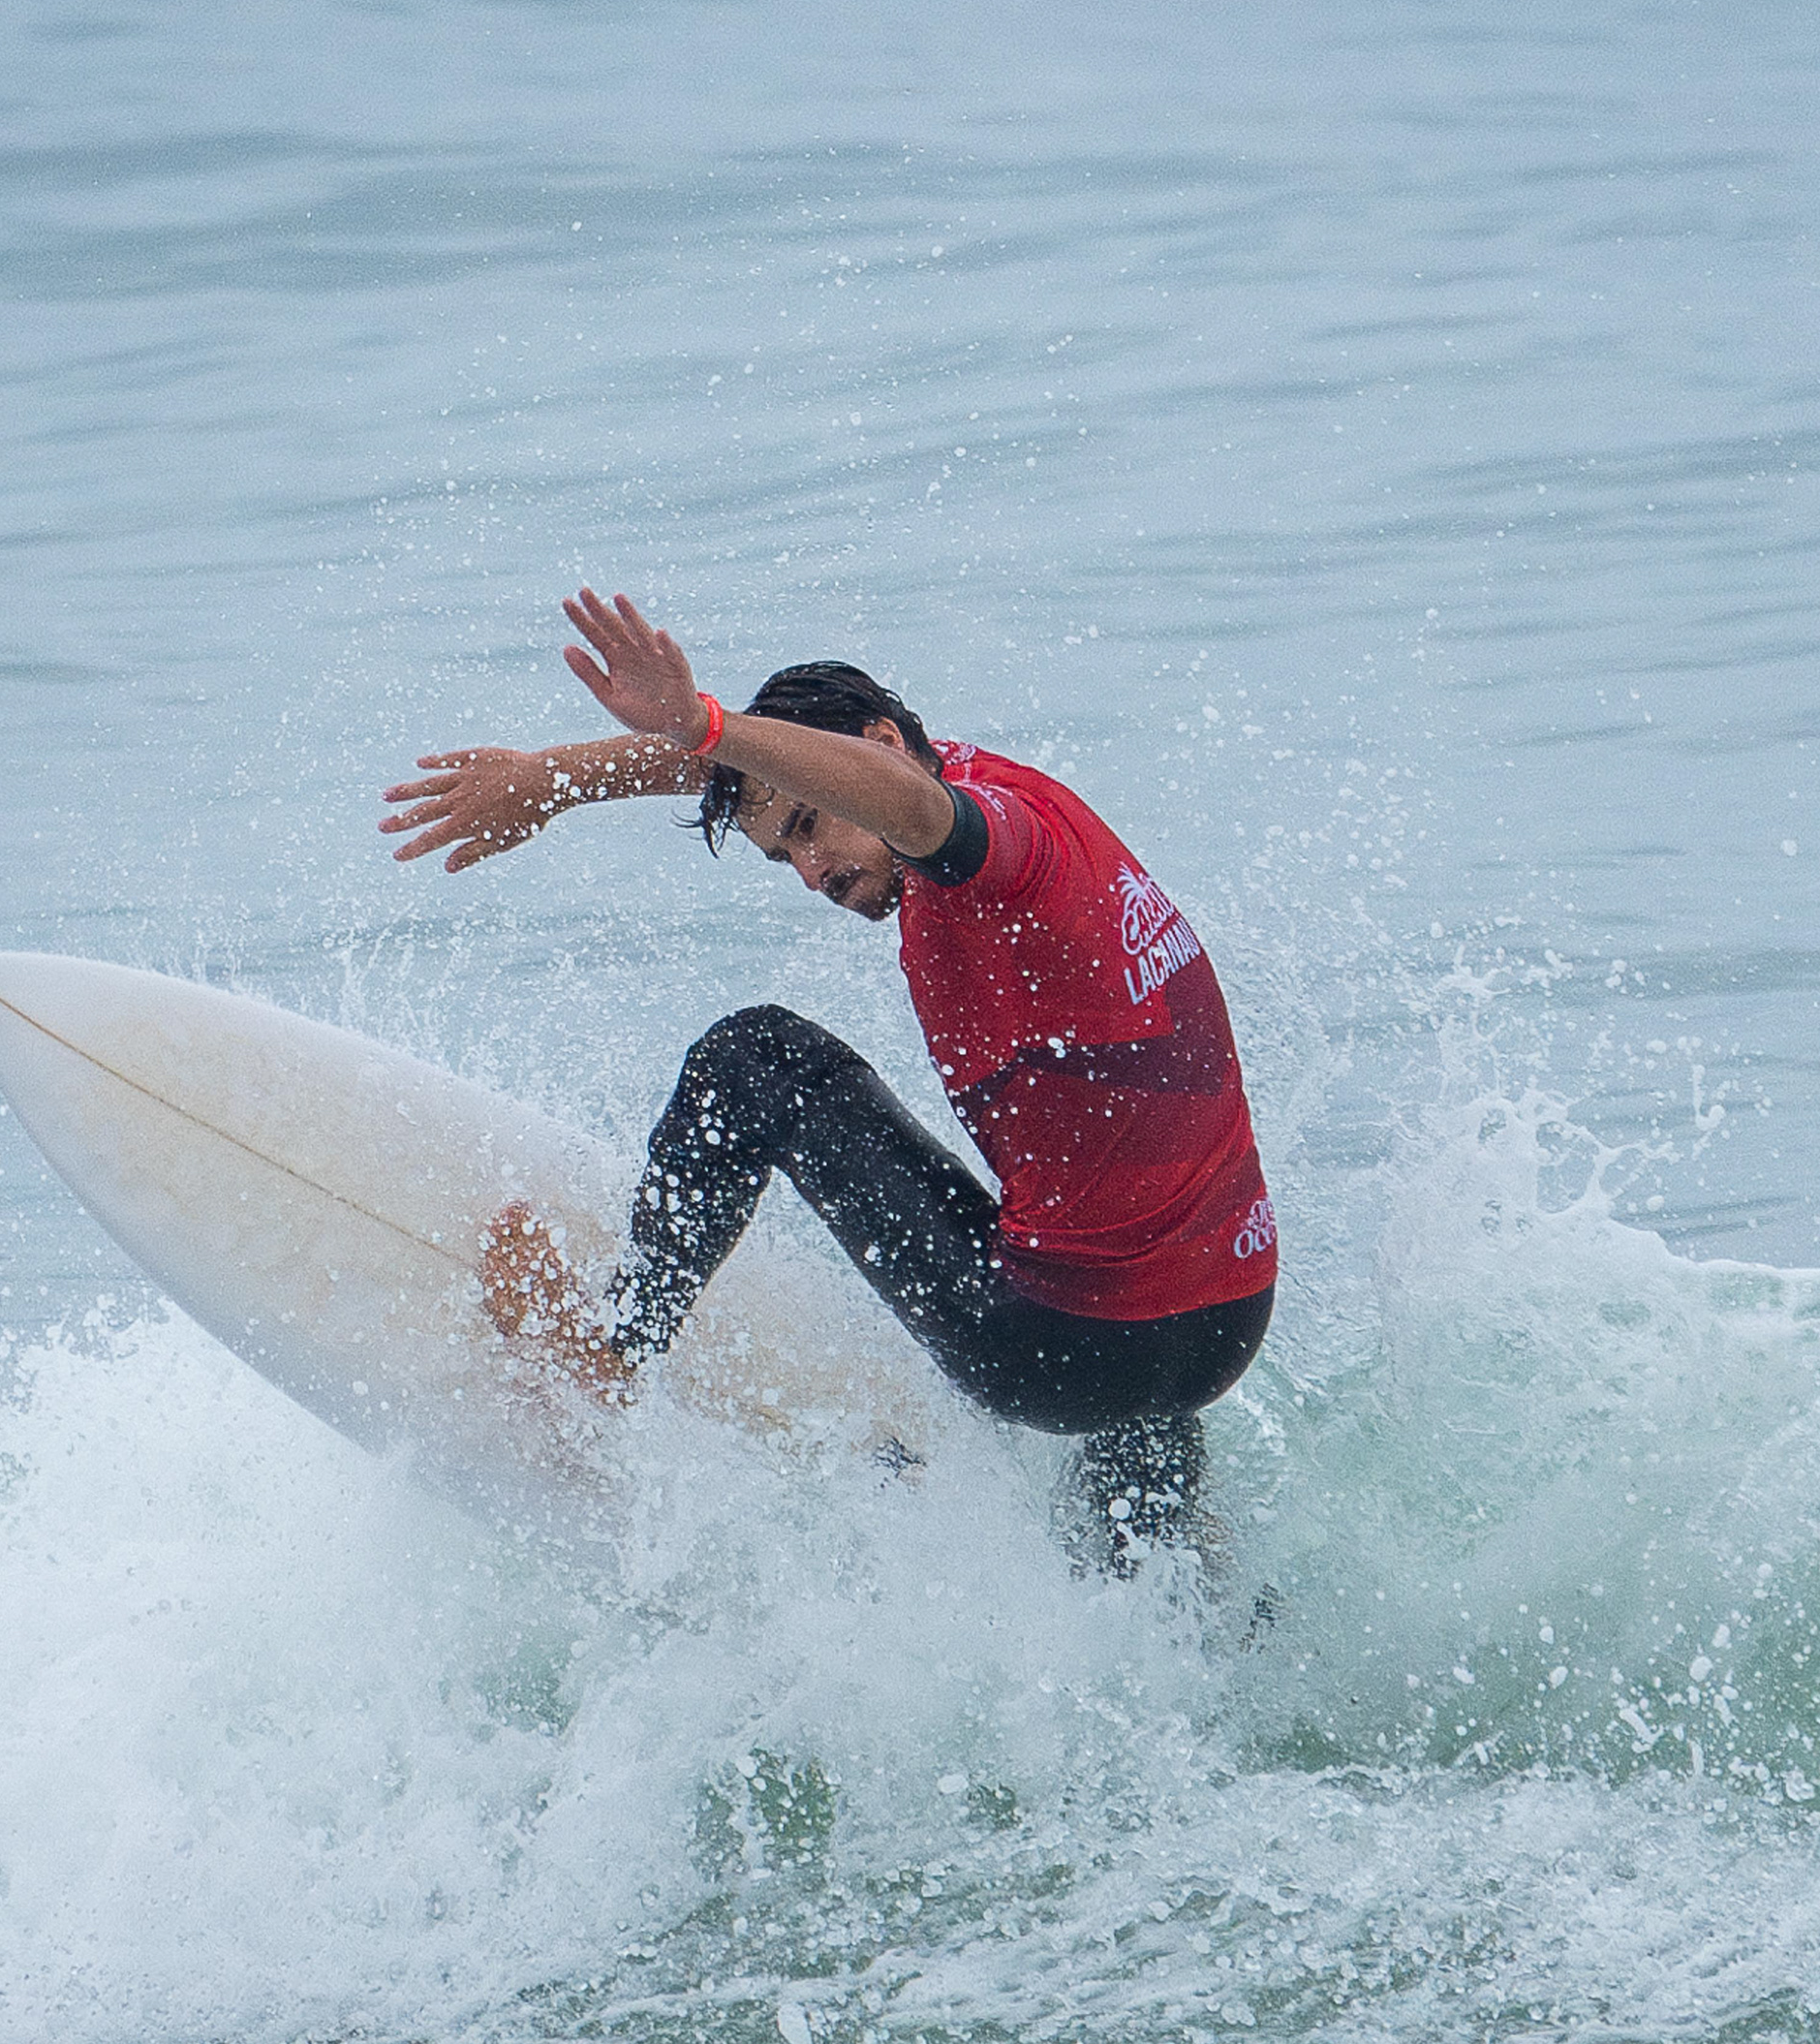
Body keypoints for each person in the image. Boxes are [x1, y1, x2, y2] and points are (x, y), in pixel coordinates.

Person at [382, 590, 1277, 1575]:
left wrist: (704, 722)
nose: (811, 873)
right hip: (1224, 1321)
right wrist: (552, 781)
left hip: (1066, 1348)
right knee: (1144, 1570)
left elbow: (898, 802)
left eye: (811, 827)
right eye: (785, 855)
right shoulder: (981, 781)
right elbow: (809, 778)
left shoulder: (992, 848)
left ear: (886, 745)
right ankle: (1198, 1609)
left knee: (757, 1061)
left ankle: (609, 1355)